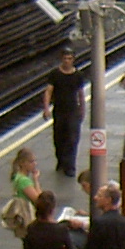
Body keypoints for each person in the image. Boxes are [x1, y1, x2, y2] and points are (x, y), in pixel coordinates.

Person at [43, 47, 86, 179]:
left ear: (73, 60)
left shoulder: (78, 75)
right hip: (59, 111)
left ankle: (70, 166)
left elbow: (81, 94)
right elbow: (48, 91)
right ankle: (61, 160)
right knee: (59, 138)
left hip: (73, 111)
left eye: (69, 58)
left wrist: (82, 109)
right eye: (65, 58)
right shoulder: (55, 74)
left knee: (72, 138)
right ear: (61, 59)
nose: (67, 61)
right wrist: (46, 108)